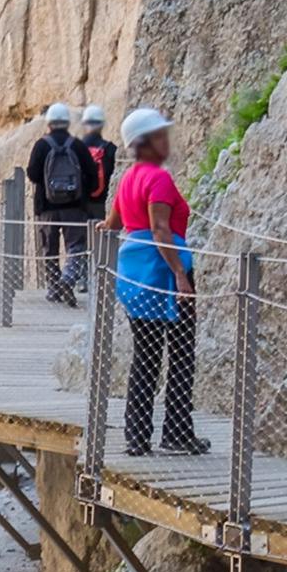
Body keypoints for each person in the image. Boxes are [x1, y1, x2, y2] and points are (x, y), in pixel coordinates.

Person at [103, 108, 209, 457]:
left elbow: (114, 223)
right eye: (160, 136)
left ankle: (137, 435)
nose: (167, 141)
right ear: (144, 143)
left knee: (145, 355)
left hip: (135, 277)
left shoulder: (129, 178)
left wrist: (99, 231)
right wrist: (180, 274)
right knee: (180, 354)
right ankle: (177, 433)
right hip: (164, 273)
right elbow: (161, 228)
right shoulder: (159, 179)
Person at [27, 102, 102, 305]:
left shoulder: (41, 145)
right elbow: (92, 176)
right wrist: (82, 193)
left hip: (46, 208)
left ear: (49, 123)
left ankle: (53, 288)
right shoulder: (76, 145)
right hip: (74, 207)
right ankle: (68, 278)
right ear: (67, 123)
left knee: (48, 249)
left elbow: (32, 174)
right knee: (76, 246)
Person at [77, 105, 117, 295]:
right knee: (102, 240)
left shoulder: (75, 148)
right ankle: (100, 280)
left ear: (84, 124)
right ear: (102, 125)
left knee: (81, 242)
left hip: (80, 204)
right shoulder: (110, 149)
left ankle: (83, 280)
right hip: (103, 202)